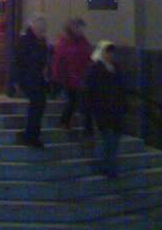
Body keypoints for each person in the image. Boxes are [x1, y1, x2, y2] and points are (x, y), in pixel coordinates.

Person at [86, 41, 127, 178]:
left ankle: (111, 167)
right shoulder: (96, 69)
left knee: (114, 142)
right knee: (107, 140)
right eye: (108, 52)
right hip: (103, 110)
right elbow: (90, 91)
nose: (110, 55)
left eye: (112, 52)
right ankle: (106, 167)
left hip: (115, 110)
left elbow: (122, 89)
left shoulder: (115, 69)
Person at [51, 17, 94, 134]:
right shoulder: (64, 41)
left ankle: (87, 128)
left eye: (81, 27)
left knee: (84, 102)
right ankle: (65, 121)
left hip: (82, 77)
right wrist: (58, 78)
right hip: (69, 77)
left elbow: (88, 55)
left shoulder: (82, 41)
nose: (80, 30)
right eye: (78, 27)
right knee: (73, 101)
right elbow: (59, 60)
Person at [13, 14, 50, 148]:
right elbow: (18, 61)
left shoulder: (40, 41)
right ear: (34, 29)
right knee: (37, 105)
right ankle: (31, 136)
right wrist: (16, 80)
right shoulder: (24, 41)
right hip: (28, 78)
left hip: (37, 78)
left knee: (38, 106)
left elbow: (43, 59)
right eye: (41, 31)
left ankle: (32, 135)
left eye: (43, 31)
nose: (42, 33)